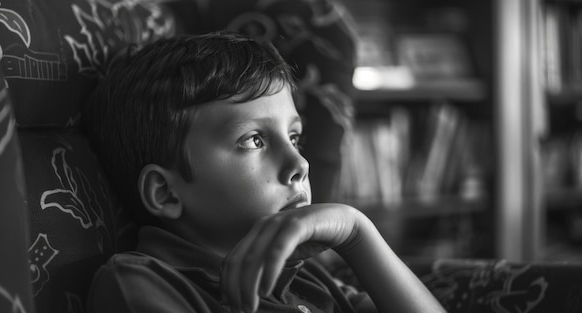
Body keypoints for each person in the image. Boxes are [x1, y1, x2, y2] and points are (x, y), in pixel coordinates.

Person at [83, 31, 445, 313]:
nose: (299, 165)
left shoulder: (305, 278)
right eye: (254, 140)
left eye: (294, 137)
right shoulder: (141, 283)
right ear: (165, 192)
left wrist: (355, 233)